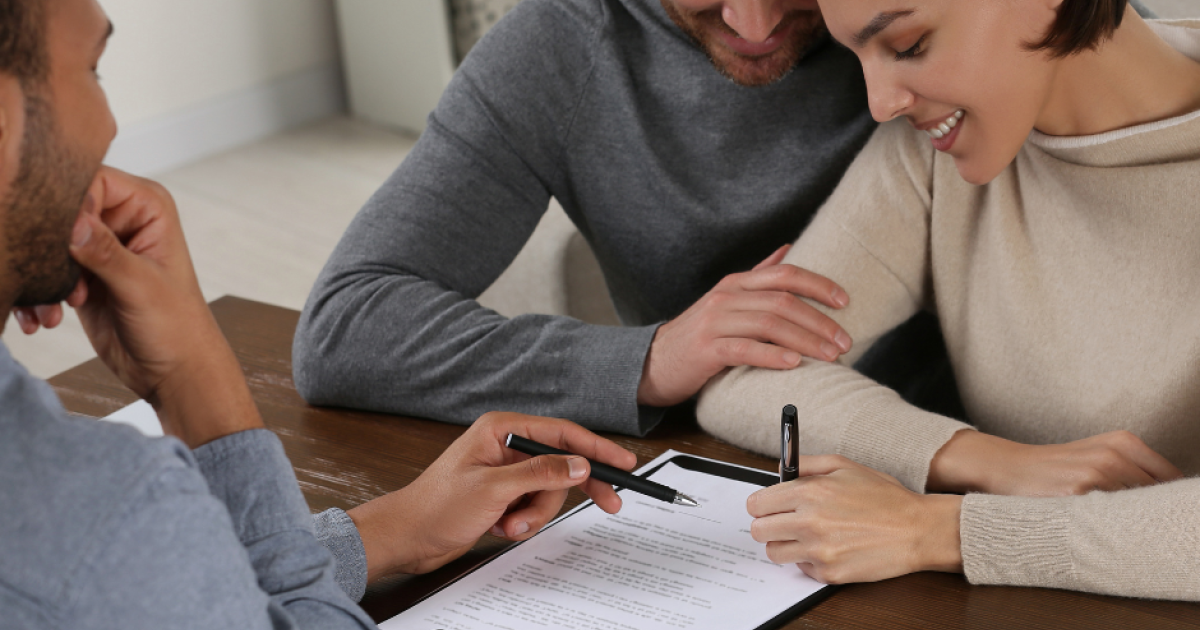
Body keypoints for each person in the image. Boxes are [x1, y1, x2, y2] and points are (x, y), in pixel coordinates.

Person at [0, 0, 637, 626]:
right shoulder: (98, 518)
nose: (110, 124)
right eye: (92, 68)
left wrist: (387, 532)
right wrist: (193, 376)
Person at [695, 0, 1200, 600]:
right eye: (858, 56)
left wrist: (939, 530)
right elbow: (746, 368)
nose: (880, 103)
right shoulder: (933, 150)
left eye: (908, 46)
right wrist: (977, 457)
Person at [290, 0, 961, 436]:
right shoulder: (563, 44)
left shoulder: (938, 21)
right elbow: (344, 327)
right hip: (721, 468)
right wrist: (649, 359)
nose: (755, 25)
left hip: (967, 465)